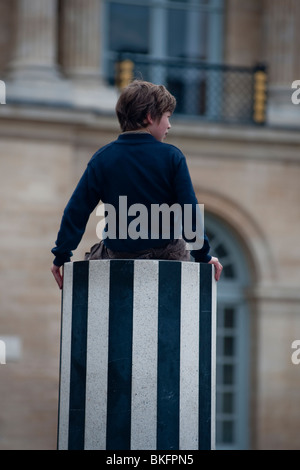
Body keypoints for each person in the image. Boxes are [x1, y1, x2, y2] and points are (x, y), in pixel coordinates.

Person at [51, 80, 222, 289]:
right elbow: (189, 211)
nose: (169, 125)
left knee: (98, 252)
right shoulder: (172, 157)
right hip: (166, 254)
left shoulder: (103, 158)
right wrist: (203, 255)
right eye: (167, 117)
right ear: (150, 117)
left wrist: (61, 255)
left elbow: (76, 211)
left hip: (119, 253)